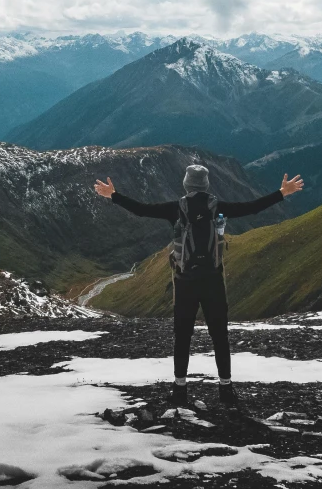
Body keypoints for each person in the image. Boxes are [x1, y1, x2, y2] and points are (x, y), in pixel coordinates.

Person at [94, 165, 303, 407]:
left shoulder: (176, 208)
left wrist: (114, 195)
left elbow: (142, 210)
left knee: (182, 336)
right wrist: (281, 192)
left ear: (186, 185)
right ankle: (226, 390)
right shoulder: (217, 208)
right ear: (206, 185)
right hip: (213, 280)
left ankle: (180, 390)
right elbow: (252, 208)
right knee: (219, 336)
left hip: (185, 282)